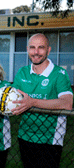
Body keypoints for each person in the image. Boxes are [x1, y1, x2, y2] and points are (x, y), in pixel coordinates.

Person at [11, 33, 73, 168]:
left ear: (48, 50)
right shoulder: (22, 72)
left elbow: (67, 103)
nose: (36, 52)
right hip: (25, 136)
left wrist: (32, 102)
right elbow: (10, 98)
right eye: (32, 47)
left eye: (41, 47)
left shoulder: (59, 74)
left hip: (50, 139)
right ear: (27, 49)